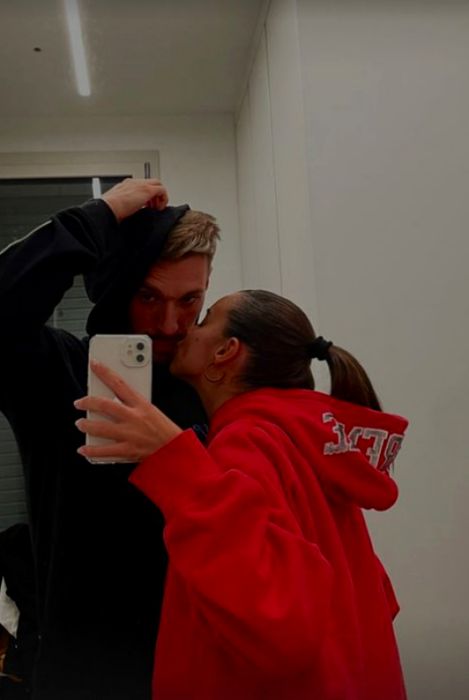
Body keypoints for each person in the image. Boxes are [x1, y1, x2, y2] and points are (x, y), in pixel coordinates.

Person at [75, 289, 409, 700]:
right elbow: (373, 597)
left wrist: (175, 461)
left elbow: (278, 617)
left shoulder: (246, 442)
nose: (185, 329)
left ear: (225, 352)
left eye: (204, 319)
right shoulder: (308, 444)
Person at [0, 178, 220, 699]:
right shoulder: (54, 370)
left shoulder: (214, 389)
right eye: (149, 296)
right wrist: (95, 217)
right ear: (119, 287)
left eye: (190, 300)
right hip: (80, 674)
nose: (170, 324)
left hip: (197, 666)